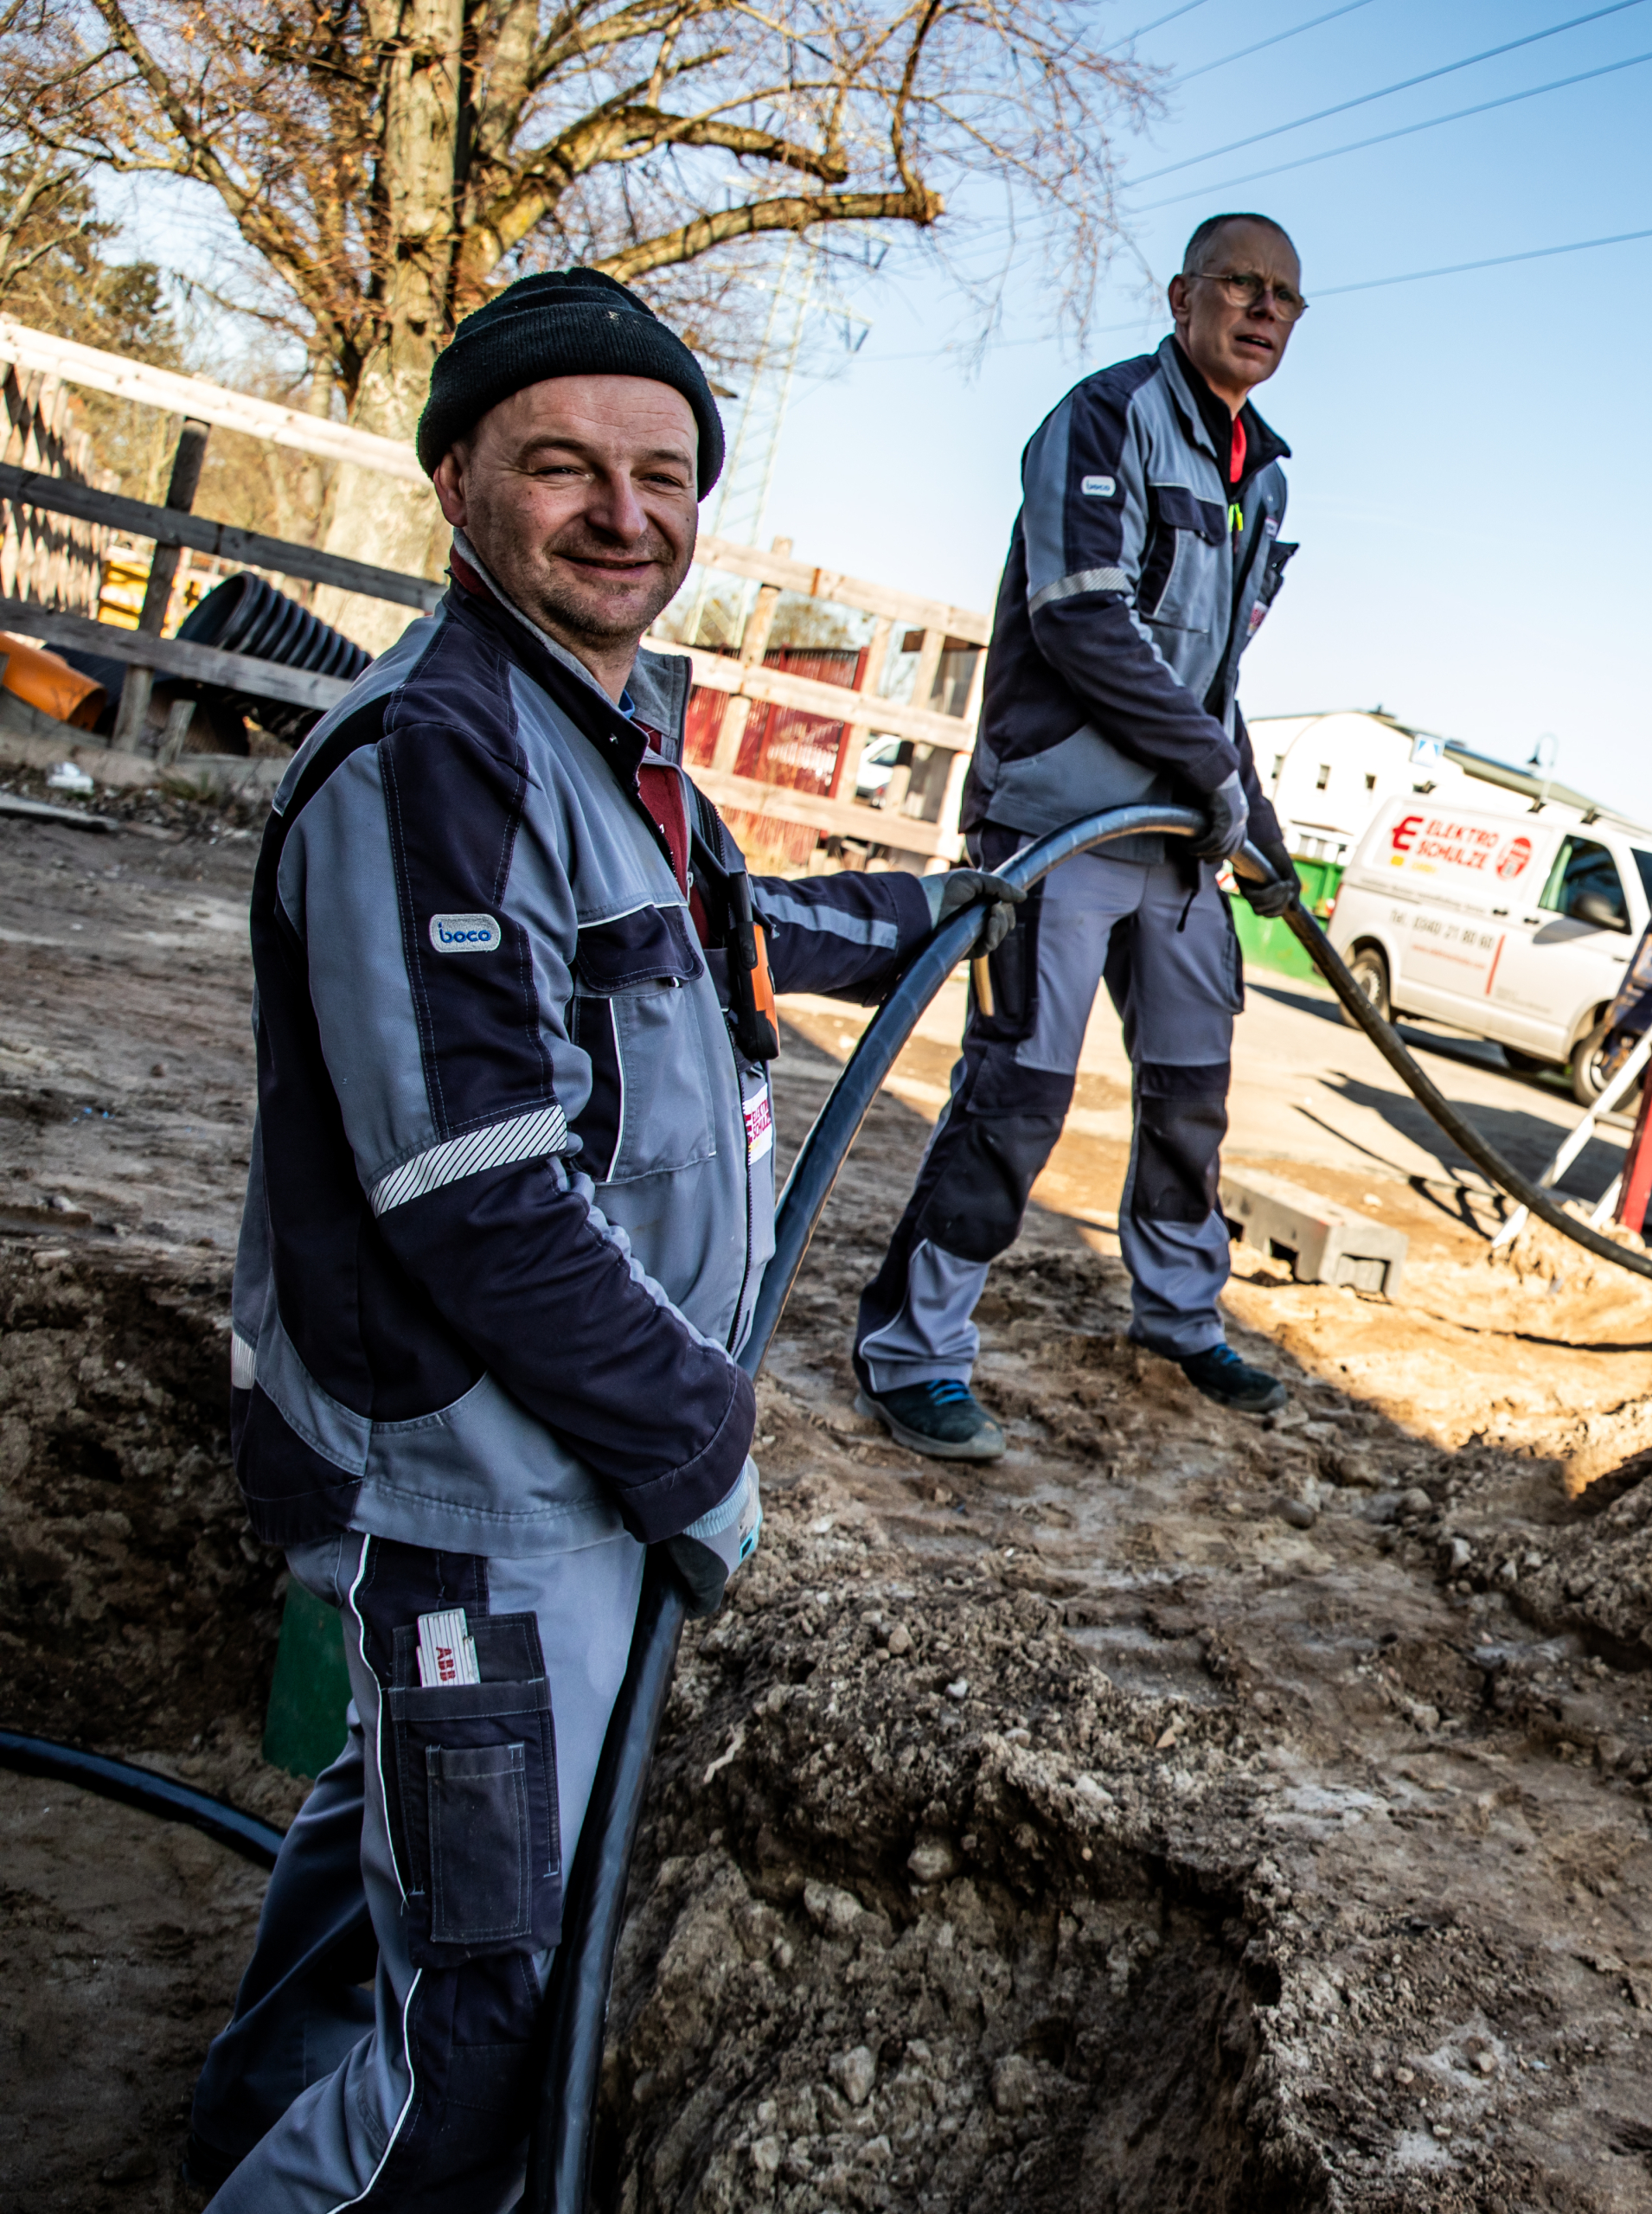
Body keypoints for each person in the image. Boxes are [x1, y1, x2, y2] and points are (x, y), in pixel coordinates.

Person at [187, 268, 1017, 2204]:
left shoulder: (607, 741)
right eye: (564, 465)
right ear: (458, 480)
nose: (624, 512)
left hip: (548, 1468)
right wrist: (695, 1447)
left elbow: (726, 947)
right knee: (482, 2006)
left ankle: (231, 2144)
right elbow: (479, 1195)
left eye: (663, 472)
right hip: (476, 1492)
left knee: (378, 1866)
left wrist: (944, 902)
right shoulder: (441, 757)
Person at [849, 211, 1309, 1459]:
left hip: (1173, 847)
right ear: (1182, 298)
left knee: (1189, 1094)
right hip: (1059, 819)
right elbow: (1084, 620)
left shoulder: (1262, 475)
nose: (1263, 312)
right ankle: (913, 1348)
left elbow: (1212, 681)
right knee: (1019, 1095)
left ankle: (1179, 1314)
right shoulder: (1102, 420)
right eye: (1242, 286)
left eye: (1286, 299)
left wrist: (1253, 827)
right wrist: (1211, 767)